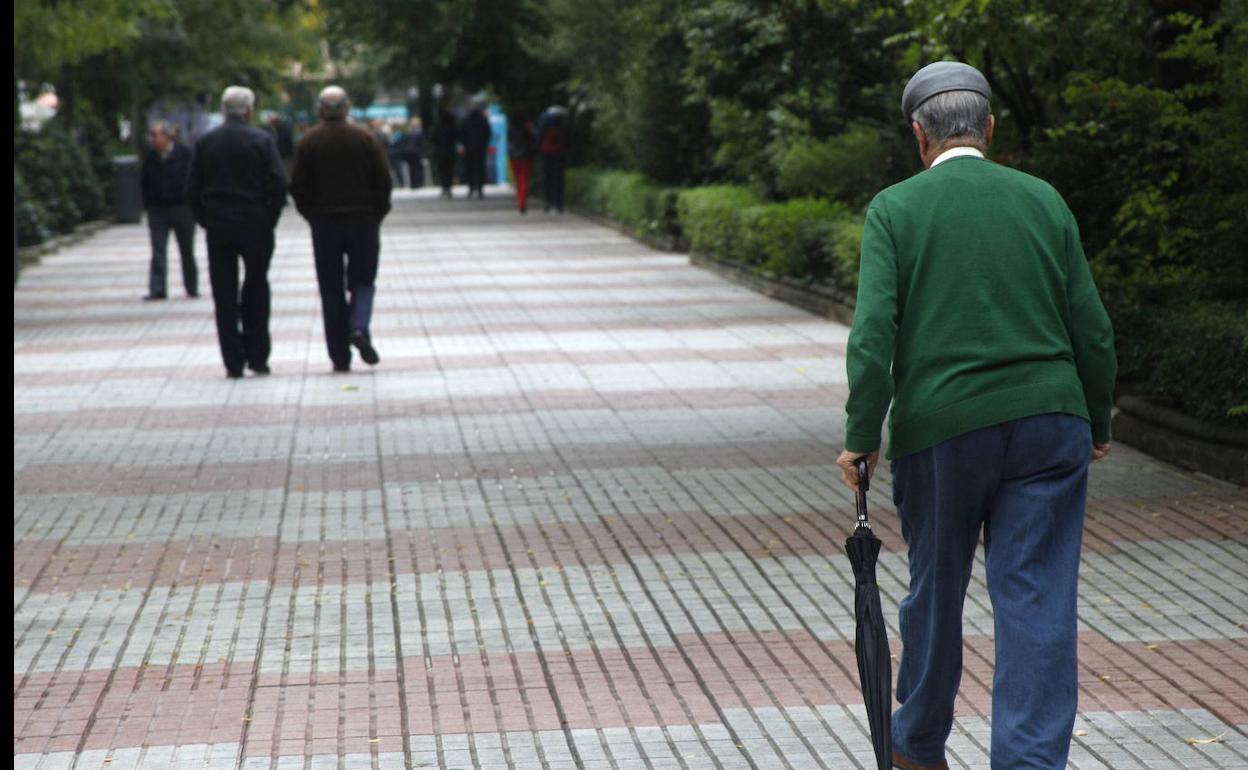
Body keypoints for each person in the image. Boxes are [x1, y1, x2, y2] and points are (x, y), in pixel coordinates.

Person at [835, 61, 1116, 770]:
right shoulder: (1043, 200)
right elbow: (1093, 328)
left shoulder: (896, 209)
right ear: (989, 128)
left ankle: (918, 743)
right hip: (1051, 422)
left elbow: (873, 337)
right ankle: (1027, 760)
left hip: (943, 429)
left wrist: (861, 438)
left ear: (918, 135)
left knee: (936, 588)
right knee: (1038, 598)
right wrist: (1098, 420)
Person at [186, 86, 288, 379]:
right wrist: (269, 216)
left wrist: (206, 218)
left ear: (223, 109)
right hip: (255, 221)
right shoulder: (262, 140)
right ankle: (258, 356)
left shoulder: (206, 142)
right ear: (249, 110)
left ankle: (233, 360)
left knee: (224, 292)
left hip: (219, 223)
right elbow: (279, 182)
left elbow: (192, 188)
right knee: (256, 285)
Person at [289, 86, 392, 372]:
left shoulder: (308, 141)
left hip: (325, 222)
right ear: (346, 109)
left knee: (331, 289)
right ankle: (359, 326)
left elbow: (297, 185)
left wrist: (311, 214)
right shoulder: (366, 139)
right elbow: (383, 181)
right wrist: (376, 213)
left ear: (320, 110)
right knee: (364, 280)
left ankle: (339, 355)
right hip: (363, 220)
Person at [140, 121, 198, 301]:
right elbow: (144, 182)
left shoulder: (185, 154)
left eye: (155, 135)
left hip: (182, 208)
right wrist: (148, 203)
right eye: (151, 135)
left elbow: (194, 178)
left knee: (186, 250)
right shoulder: (150, 158)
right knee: (158, 250)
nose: (152, 140)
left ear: (166, 137)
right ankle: (157, 289)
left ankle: (191, 287)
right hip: (158, 210)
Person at [537, 105, 569, 212]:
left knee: (547, 178)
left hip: (546, 152)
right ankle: (559, 203)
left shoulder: (544, 121)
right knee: (559, 178)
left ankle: (548, 202)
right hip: (559, 153)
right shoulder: (563, 121)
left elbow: (539, 137)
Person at [507, 111, 537, 214]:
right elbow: (534, 140)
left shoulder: (510, 129)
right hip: (525, 156)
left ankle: (520, 202)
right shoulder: (527, 129)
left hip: (513, 157)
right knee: (524, 179)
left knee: (518, 180)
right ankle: (522, 203)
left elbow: (509, 142)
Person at [461, 105, 492, 199]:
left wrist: (465, 144)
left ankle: (471, 187)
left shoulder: (466, 121)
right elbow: (488, 133)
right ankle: (480, 188)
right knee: (480, 167)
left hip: (469, 148)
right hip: (481, 148)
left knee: (469, 168)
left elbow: (462, 134)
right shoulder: (483, 121)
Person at [432, 110, 458, 199]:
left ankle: (444, 187)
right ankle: (449, 187)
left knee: (442, 171)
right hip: (450, 152)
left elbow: (433, 138)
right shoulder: (452, 128)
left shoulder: (438, 128)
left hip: (440, 152)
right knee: (449, 170)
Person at [400, 117, 424, 189]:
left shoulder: (408, 132)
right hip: (416, 152)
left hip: (409, 153)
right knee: (417, 168)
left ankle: (413, 184)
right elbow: (421, 144)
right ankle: (418, 183)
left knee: (411, 168)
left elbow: (404, 143)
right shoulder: (419, 132)